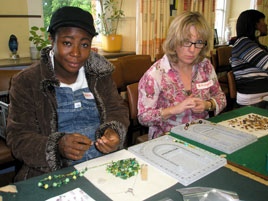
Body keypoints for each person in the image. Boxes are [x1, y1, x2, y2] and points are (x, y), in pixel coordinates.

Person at [6, 6, 129, 181]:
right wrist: (58, 147)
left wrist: (114, 131)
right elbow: (18, 138)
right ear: (51, 40)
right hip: (51, 173)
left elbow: (117, 109)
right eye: (67, 43)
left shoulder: (100, 76)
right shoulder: (27, 82)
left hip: (103, 166)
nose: (76, 53)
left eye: (84, 44)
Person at [138, 11, 226, 139]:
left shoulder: (205, 66)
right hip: (168, 138)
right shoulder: (155, 74)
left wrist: (208, 105)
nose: (192, 49)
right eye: (186, 42)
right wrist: (174, 109)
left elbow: (221, 97)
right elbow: (143, 117)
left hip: (202, 134)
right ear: (174, 41)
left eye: (199, 42)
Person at [230, 9, 268, 108]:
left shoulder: (254, 44)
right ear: (255, 25)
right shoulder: (243, 44)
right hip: (253, 102)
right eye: (263, 21)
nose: (266, 24)